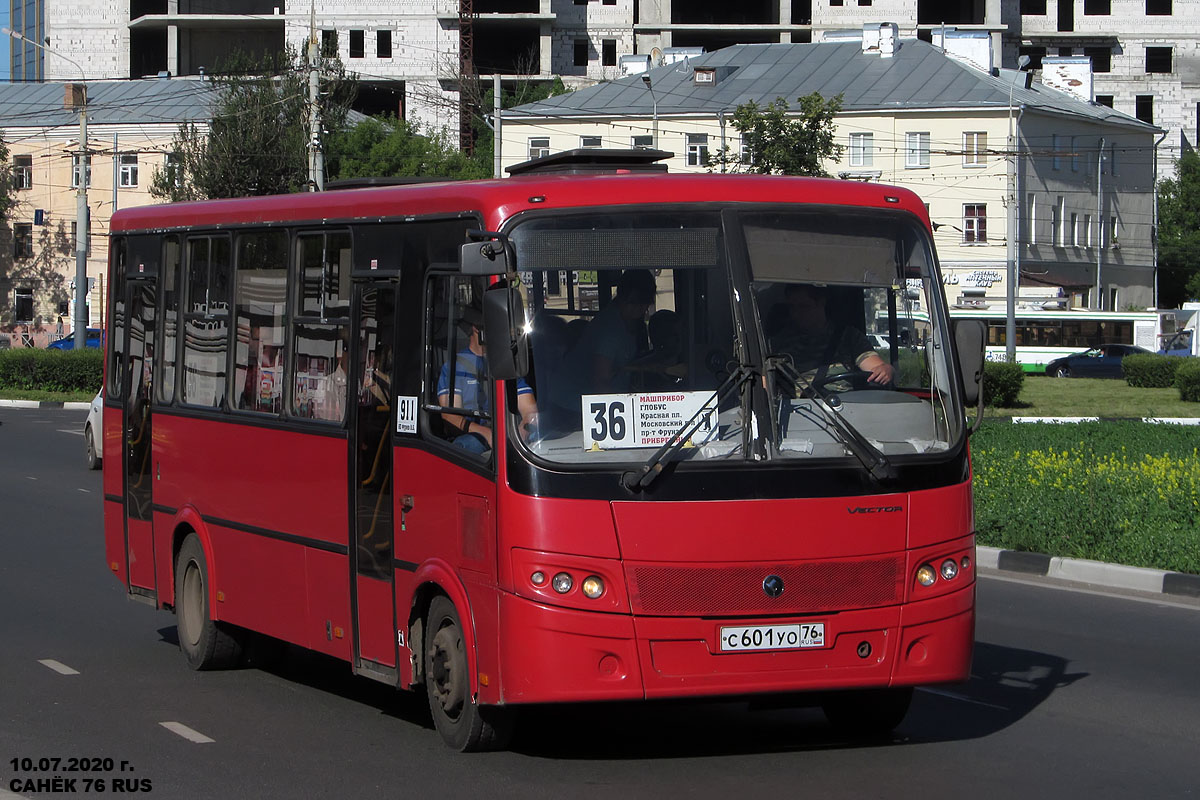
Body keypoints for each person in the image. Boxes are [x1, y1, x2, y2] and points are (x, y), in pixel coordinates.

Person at [437, 306, 538, 453]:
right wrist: (485, 432)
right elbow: (450, 415)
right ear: (476, 329)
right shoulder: (455, 366)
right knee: (467, 445)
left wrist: (524, 429)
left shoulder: (507, 364)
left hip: (508, 433)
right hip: (474, 436)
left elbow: (530, 410)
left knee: (540, 436)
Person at [768, 283, 894, 388]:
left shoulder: (848, 337)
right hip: (796, 412)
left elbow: (876, 367)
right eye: (792, 307)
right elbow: (765, 382)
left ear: (821, 303)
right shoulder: (778, 343)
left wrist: (885, 370)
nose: (797, 313)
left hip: (844, 410)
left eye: (804, 306)